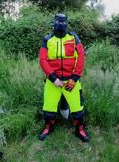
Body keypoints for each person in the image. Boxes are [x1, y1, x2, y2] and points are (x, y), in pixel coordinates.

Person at [38, 13, 90, 142]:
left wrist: (75, 78)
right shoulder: (47, 39)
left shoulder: (73, 38)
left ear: (67, 23)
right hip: (52, 81)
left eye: (63, 22)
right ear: (54, 22)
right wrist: (53, 78)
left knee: (78, 111)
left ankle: (80, 129)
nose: (60, 24)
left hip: (71, 81)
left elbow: (81, 57)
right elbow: (42, 60)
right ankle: (49, 126)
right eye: (58, 22)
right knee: (48, 111)